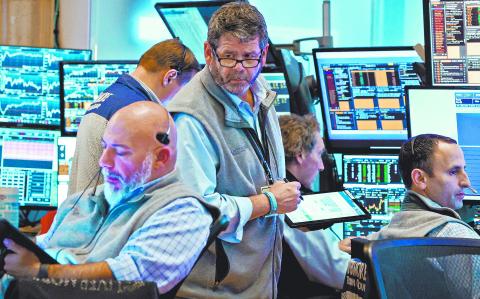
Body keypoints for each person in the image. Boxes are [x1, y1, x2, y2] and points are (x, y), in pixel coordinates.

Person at [2, 102, 214, 294]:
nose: (104, 161)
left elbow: (132, 277)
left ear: (161, 157)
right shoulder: (86, 199)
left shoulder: (184, 211)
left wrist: (40, 272)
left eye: (120, 152)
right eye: (105, 147)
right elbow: (46, 243)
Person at [168, 2, 301, 298]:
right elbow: (200, 214)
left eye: (249, 57)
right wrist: (269, 202)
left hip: (257, 282)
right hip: (211, 289)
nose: (239, 69)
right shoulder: (190, 118)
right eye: (228, 57)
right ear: (208, 52)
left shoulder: (259, 88)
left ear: (263, 54)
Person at [339, 134, 480, 297]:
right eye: (453, 172)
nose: (466, 182)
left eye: (464, 169)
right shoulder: (458, 238)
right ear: (420, 178)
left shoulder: (375, 241)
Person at [68, 38, 200, 196]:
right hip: (109, 218)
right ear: (169, 77)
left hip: (83, 213)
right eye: (184, 88)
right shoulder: (137, 113)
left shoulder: (111, 96)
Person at [277, 114, 350, 298]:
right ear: (300, 154)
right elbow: (340, 273)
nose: (321, 166)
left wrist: (334, 248)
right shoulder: (295, 205)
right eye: (319, 154)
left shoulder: (273, 190)